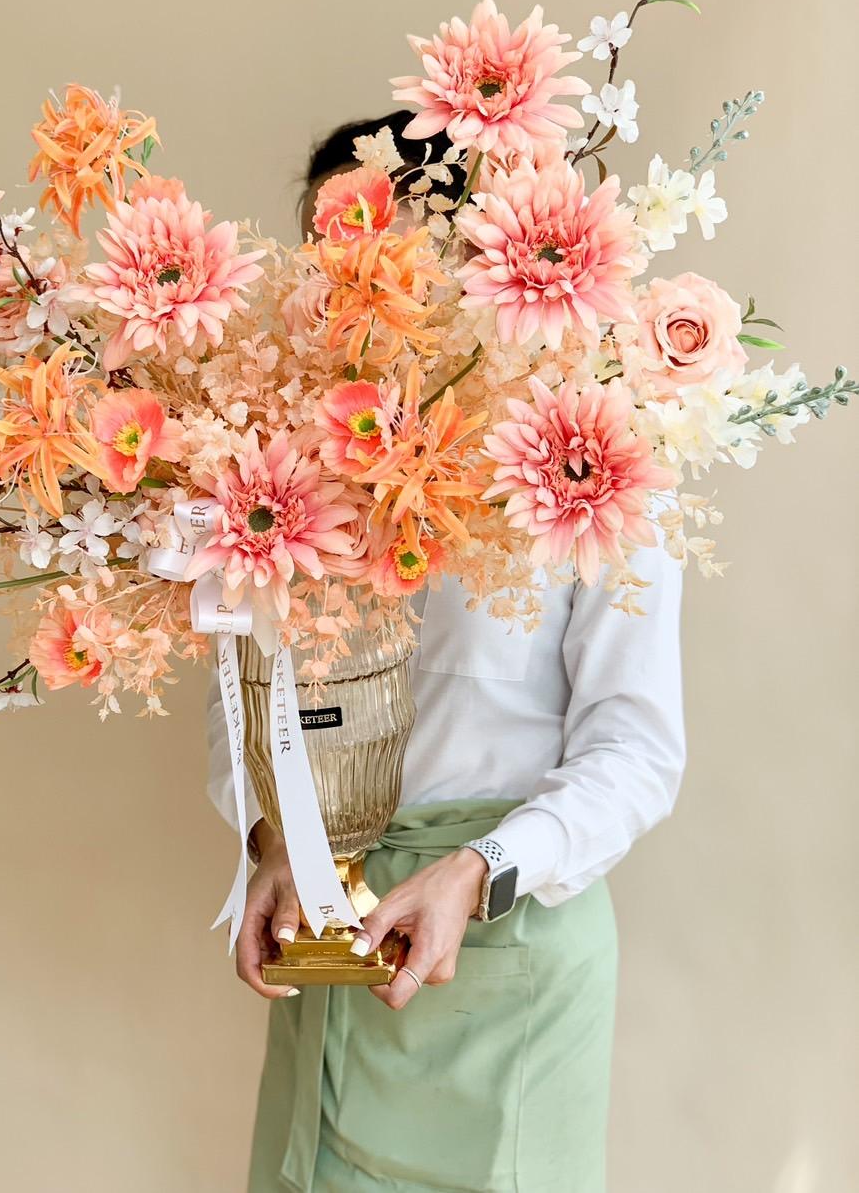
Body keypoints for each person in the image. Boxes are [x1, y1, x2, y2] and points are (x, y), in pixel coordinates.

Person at [206, 112, 684, 1193]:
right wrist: (274, 843)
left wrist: (476, 874)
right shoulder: (291, 468)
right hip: (331, 957)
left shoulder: (594, 460)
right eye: (326, 250)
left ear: (468, 253)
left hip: (504, 964)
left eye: (375, 242)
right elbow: (244, 689)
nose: (348, 280)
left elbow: (636, 750)